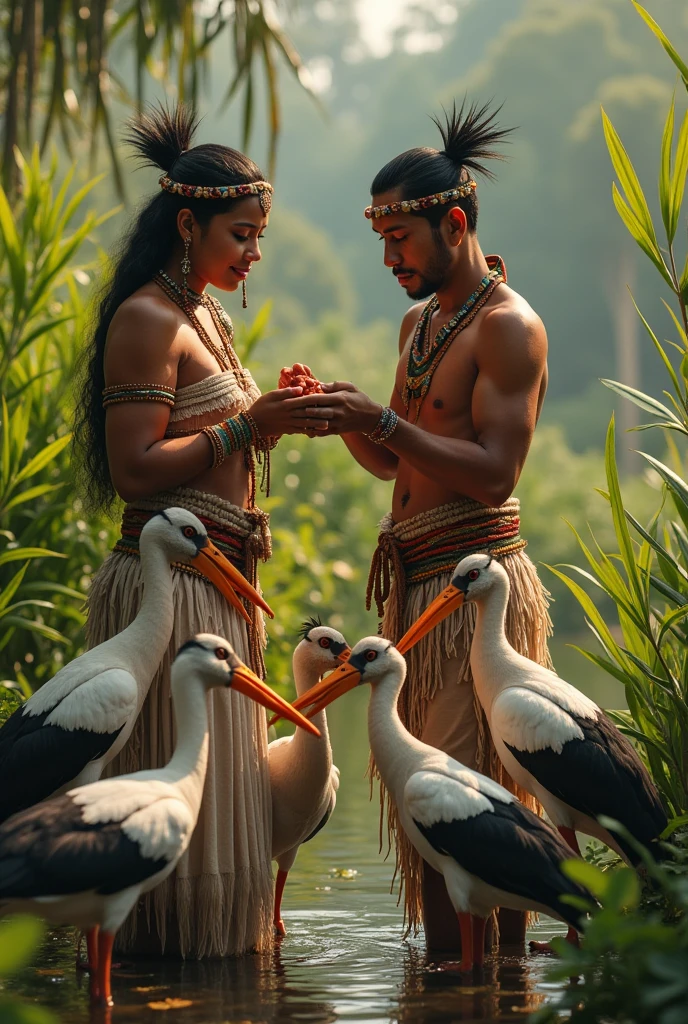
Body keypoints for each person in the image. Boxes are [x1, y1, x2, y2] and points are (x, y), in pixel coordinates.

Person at [73, 104, 328, 958]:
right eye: (242, 235)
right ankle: (161, 973)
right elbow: (136, 470)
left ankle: (214, 977)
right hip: (165, 594)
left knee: (219, 806)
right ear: (189, 224)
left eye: (259, 236)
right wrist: (250, 426)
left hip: (217, 590)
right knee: (172, 810)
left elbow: (223, 433)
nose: (254, 254)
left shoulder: (205, 315)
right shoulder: (147, 319)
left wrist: (273, 414)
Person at [299, 101, 552, 949]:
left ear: (453, 222)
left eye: (399, 238)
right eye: (380, 239)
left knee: (475, 806)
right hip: (411, 594)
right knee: (427, 817)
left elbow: (494, 476)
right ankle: (452, 985)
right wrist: (340, 415)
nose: (388, 258)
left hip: (473, 601)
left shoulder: (509, 327)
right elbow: (400, 463)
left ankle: (496, 984)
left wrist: (384, 422)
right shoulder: (421, 324)